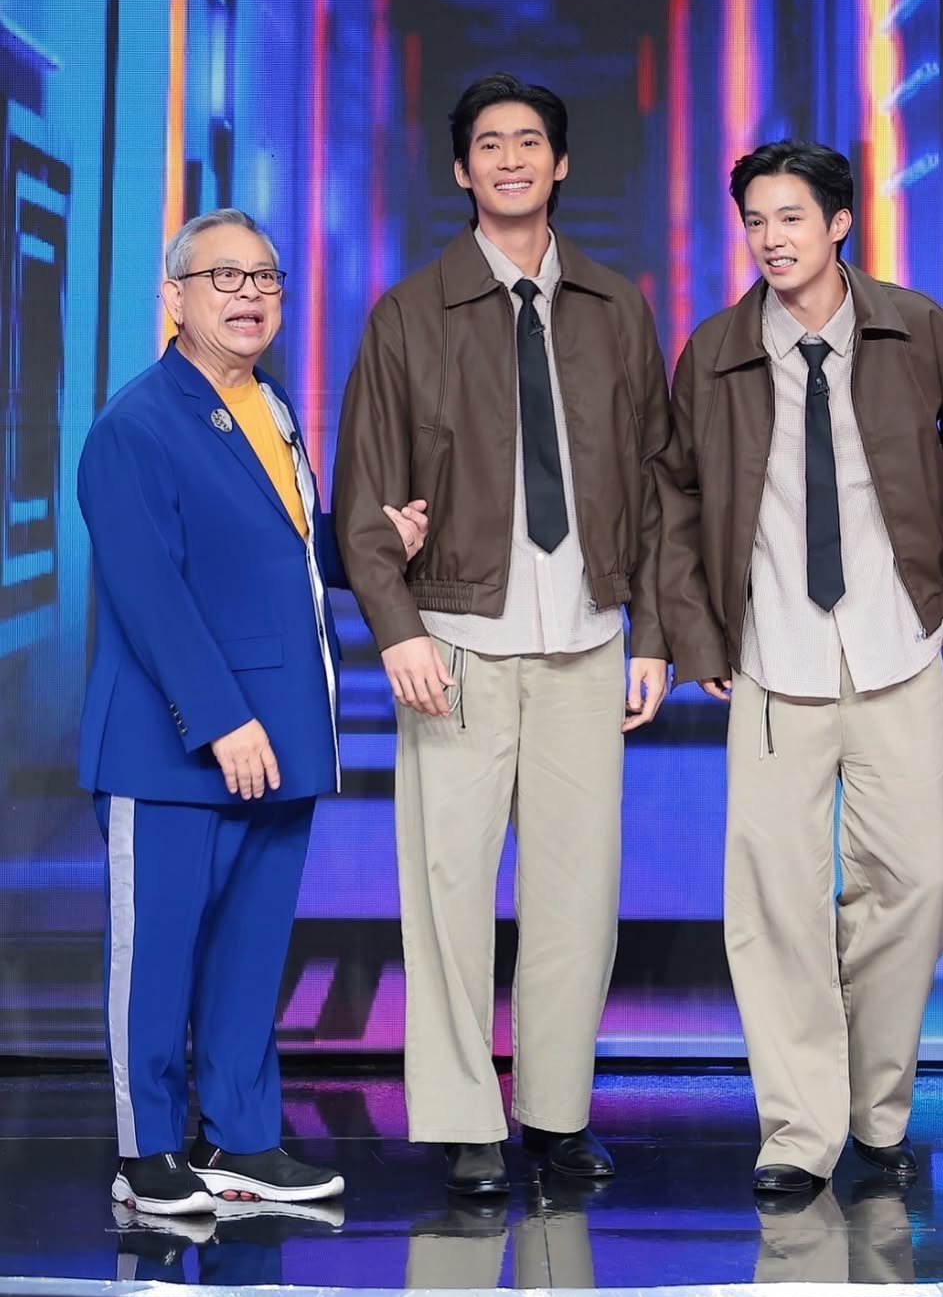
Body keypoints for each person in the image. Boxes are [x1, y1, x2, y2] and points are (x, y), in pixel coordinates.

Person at [657, 140, 943, 1194]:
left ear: (839, 223)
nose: (771, 239)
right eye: (755, 221)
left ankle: (878, 1110)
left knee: (912, 886)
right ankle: (797, 1132)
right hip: (774, 663)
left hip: (897, 650)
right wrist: (698, 635)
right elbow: (673, 499)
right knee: (774, 904)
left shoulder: (914, 328)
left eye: (791, 217)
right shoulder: (716, 350)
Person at [334, 74, 671, 1196]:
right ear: (461, 170)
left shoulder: (617, 309)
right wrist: (398, 632)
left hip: (585, 641)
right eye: (490, 144)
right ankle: (464, 1120)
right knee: (448, 893)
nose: (512, 159)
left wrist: (654, 632)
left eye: (531, 142)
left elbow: (661, 486)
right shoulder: (408, 314)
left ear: (560, 164)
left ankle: (558, 1116)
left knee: (579, 895)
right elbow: (363, 497)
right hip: (455, 646)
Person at [78, 208, 428, 1216]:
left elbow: (285, 545)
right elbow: (151, 593)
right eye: (222, 277)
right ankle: (147, 1152)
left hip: (284, 739)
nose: (248, 295)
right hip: (174, 748)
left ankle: (240, 1139)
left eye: (264, 278)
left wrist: (372, 543)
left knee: (247, 954)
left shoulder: (269, 407)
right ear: (174, 298)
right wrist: (221, 719)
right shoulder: (135, 427)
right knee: (156, 956)